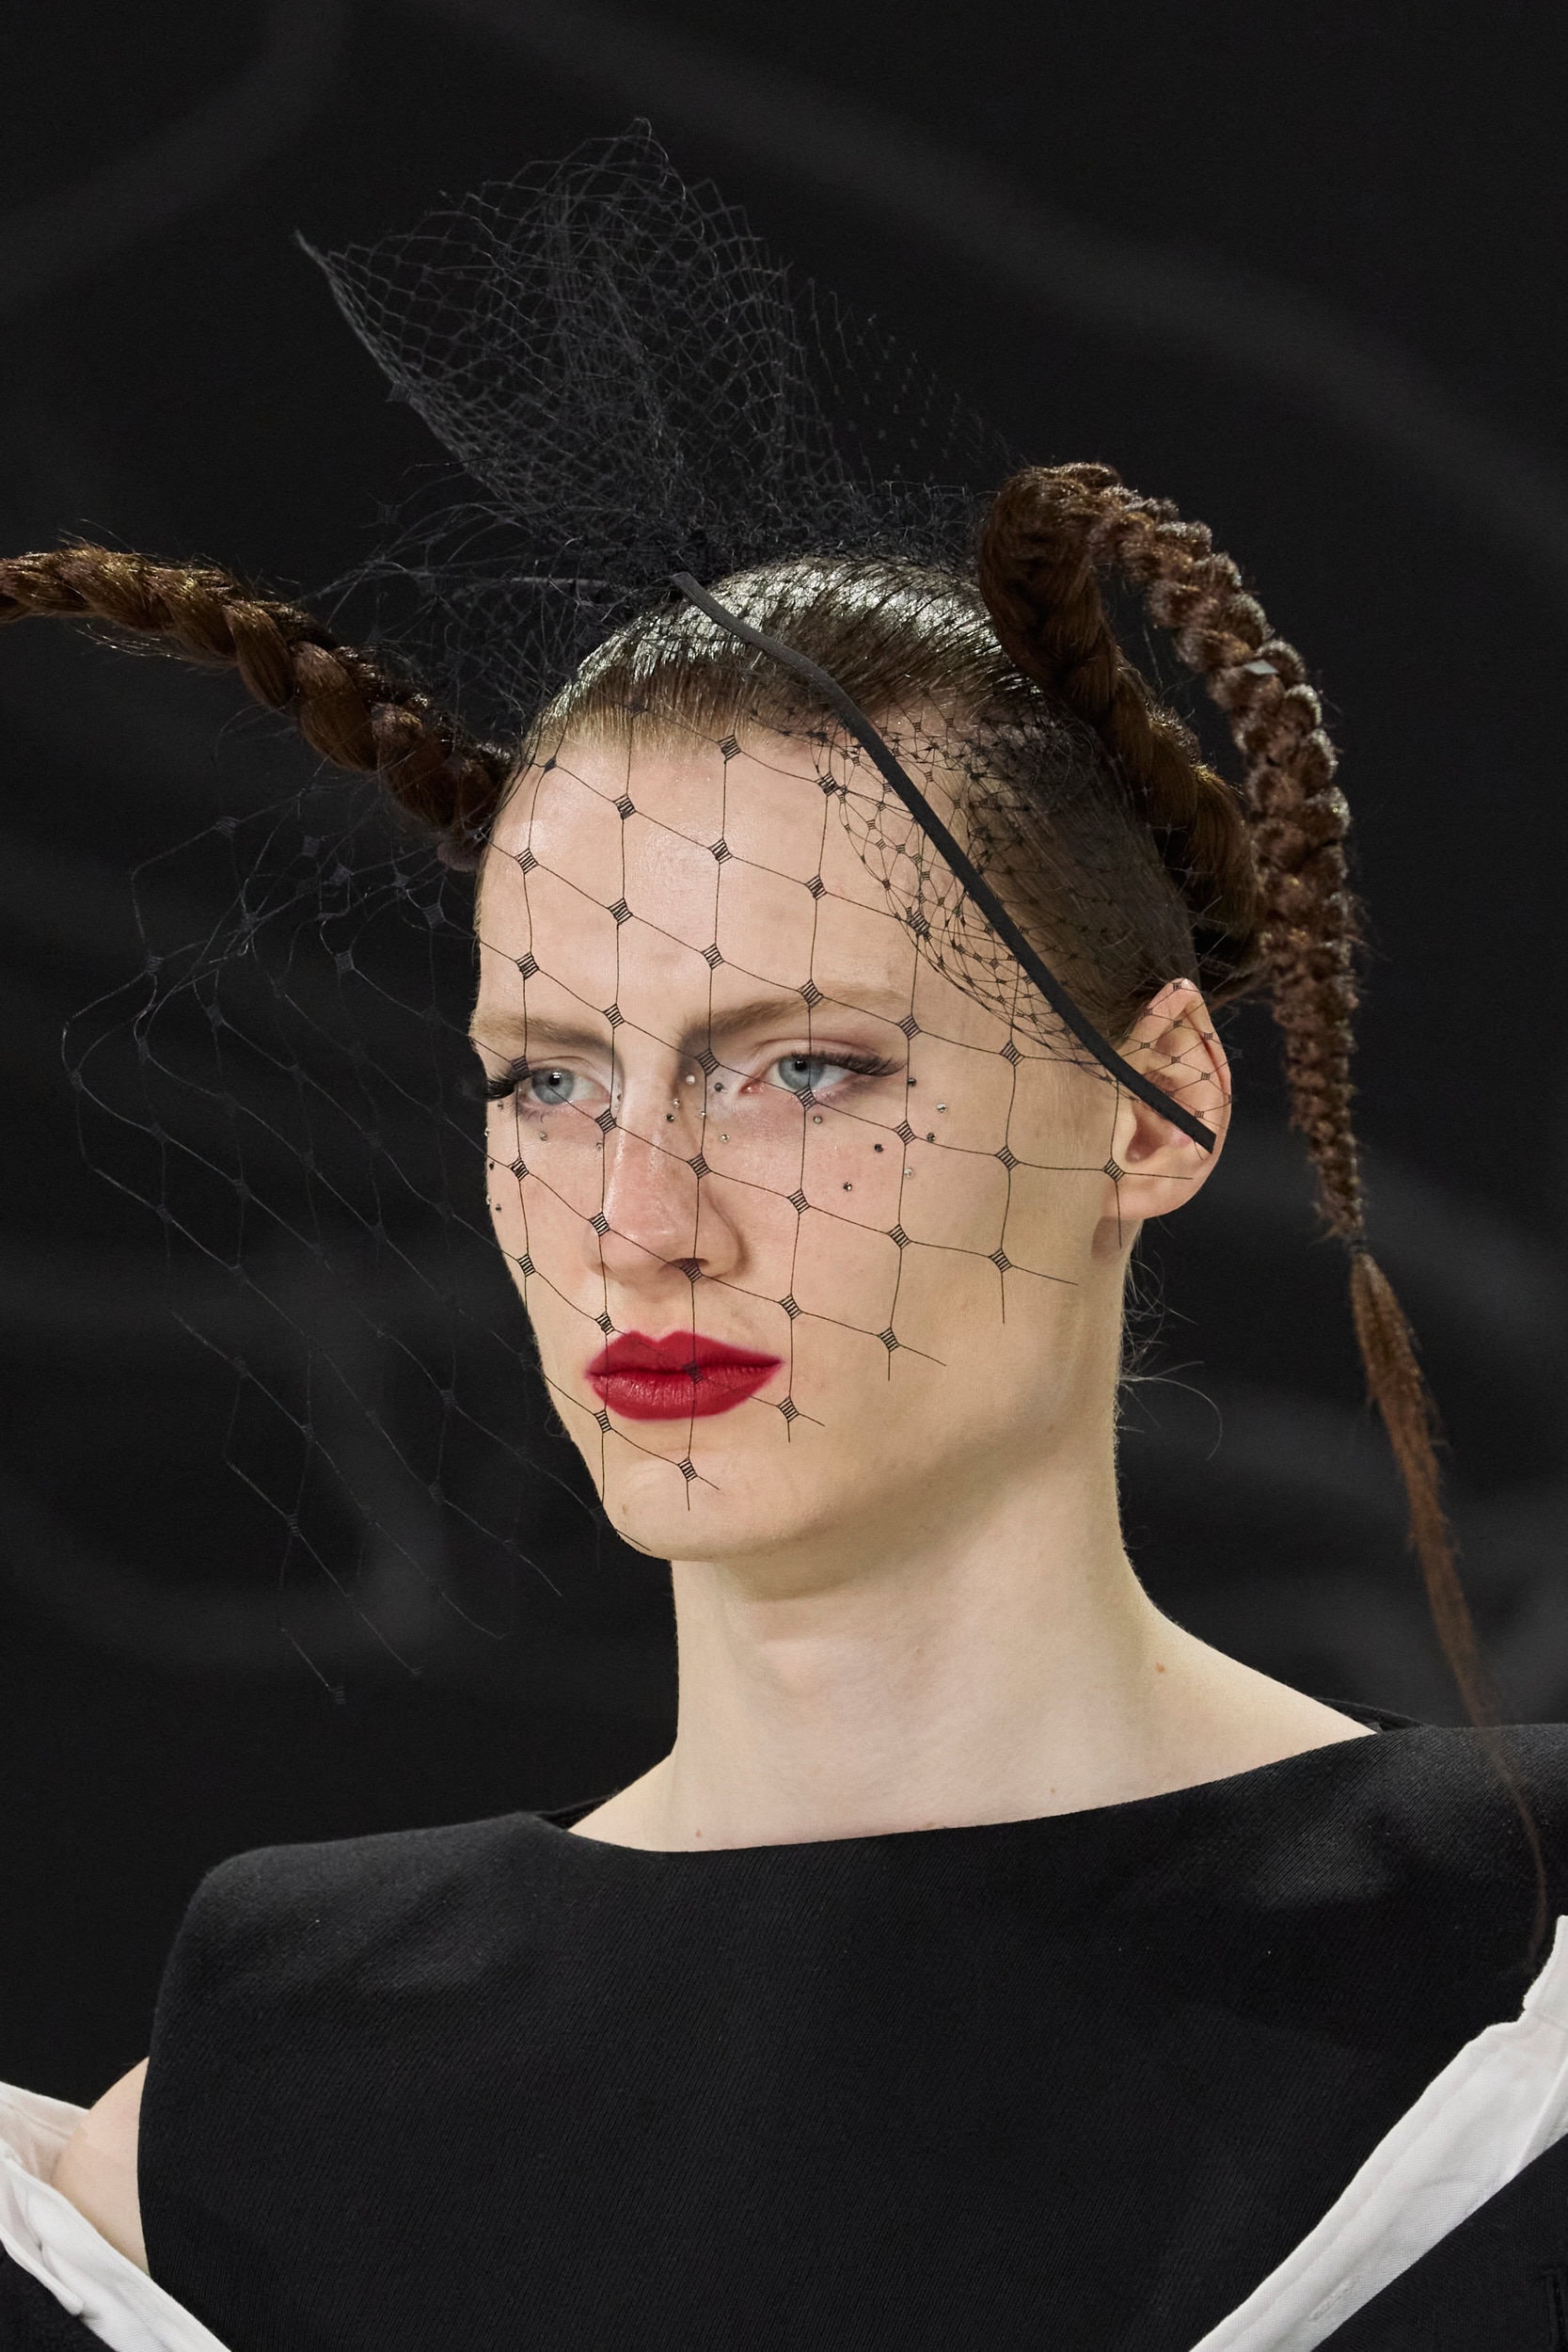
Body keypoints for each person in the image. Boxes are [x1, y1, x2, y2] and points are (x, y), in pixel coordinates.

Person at [3, 133, 1568, 2352]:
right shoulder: (266, 2083)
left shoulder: (1513, 1985)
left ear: (1153, 1106)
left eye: (802, 1067)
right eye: (550, 1078)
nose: (642, 1221)